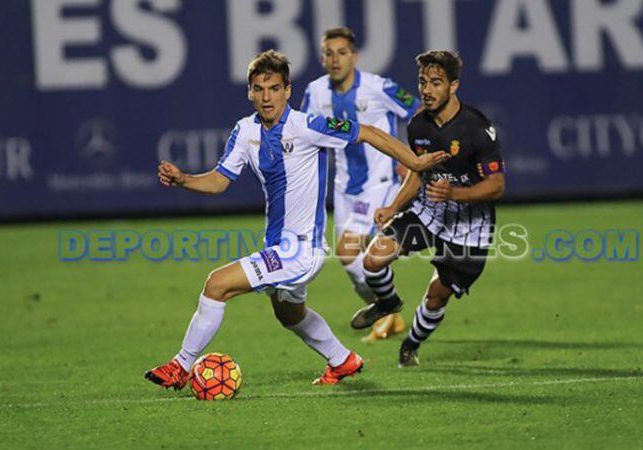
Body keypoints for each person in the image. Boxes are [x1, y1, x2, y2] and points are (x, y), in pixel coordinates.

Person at [145, 50, 448, 388]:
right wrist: (183, 178)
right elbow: (219, 181)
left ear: (287, 91)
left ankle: (180, 365)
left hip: (300, 251)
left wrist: (416, 163)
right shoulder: (245, 132)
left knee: (216, 285)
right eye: (258, 89)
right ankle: (342, 359)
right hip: (277, 246)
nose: (266, 96)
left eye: (274, 88)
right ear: (249, 92)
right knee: (288, 314)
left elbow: (368, 132)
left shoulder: (307, 126)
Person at [348, 50, 505, 367]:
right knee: (373, 258)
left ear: (453, 86)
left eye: (436, 82)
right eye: (423, 82)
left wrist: (455, 193)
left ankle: (411, 345)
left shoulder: (477, 128)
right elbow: (417, 173)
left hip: (469, 226)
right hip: (430, 211)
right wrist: (392, 206)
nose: (427, 89)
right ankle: (387, 303)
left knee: (437, 295)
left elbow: (497, 185)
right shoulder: (418, 124)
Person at [301, 27, 420, 342]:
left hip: (378, 183)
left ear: (354, 56)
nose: (335, 59)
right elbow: (304, 133)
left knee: (347, 251)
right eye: (329, 53)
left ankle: (387, 305)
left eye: (342, 52)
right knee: (349, 258)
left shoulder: (378, 87)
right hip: (344, 186)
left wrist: (409, 155)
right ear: (322, 57)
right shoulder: (315, 93)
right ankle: (386, 310)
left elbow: (418, 113)